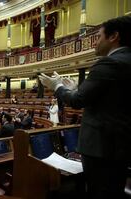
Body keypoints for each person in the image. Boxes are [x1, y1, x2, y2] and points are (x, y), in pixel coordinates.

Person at [38, 16, 131, 199]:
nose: (95, 41)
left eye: (98, 36)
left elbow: (78, 101)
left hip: (101, 149)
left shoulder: (109, 63)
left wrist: (57, 86)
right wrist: (75, 89)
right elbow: (108, 100)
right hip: (121, 147)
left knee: (100, 192)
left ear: (114, 37)